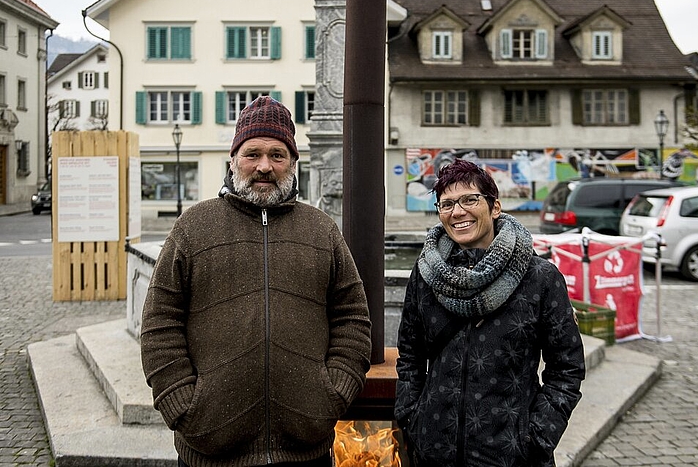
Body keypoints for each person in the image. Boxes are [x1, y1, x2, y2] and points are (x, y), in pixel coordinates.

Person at [140, 96, 372, 467]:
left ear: (294, 163)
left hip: (305, 450)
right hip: (211, 449)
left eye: (278, 155)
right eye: (253, 153)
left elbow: (352, 318)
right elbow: (160, 323)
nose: (265, 166)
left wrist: (332, 395)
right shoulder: (193, 228)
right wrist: (183, 404)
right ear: (234, 159)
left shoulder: (321, 230)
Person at [394, 158, 585, 466]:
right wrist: (412, 418)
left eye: (470, 199)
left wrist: (536, 436)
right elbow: (410, 355)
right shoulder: (427, 274)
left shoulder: (539, 277)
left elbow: (567, 367)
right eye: (447, 204)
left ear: (495, 207)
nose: (458, 212)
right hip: (434, 452)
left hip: (513, 455)